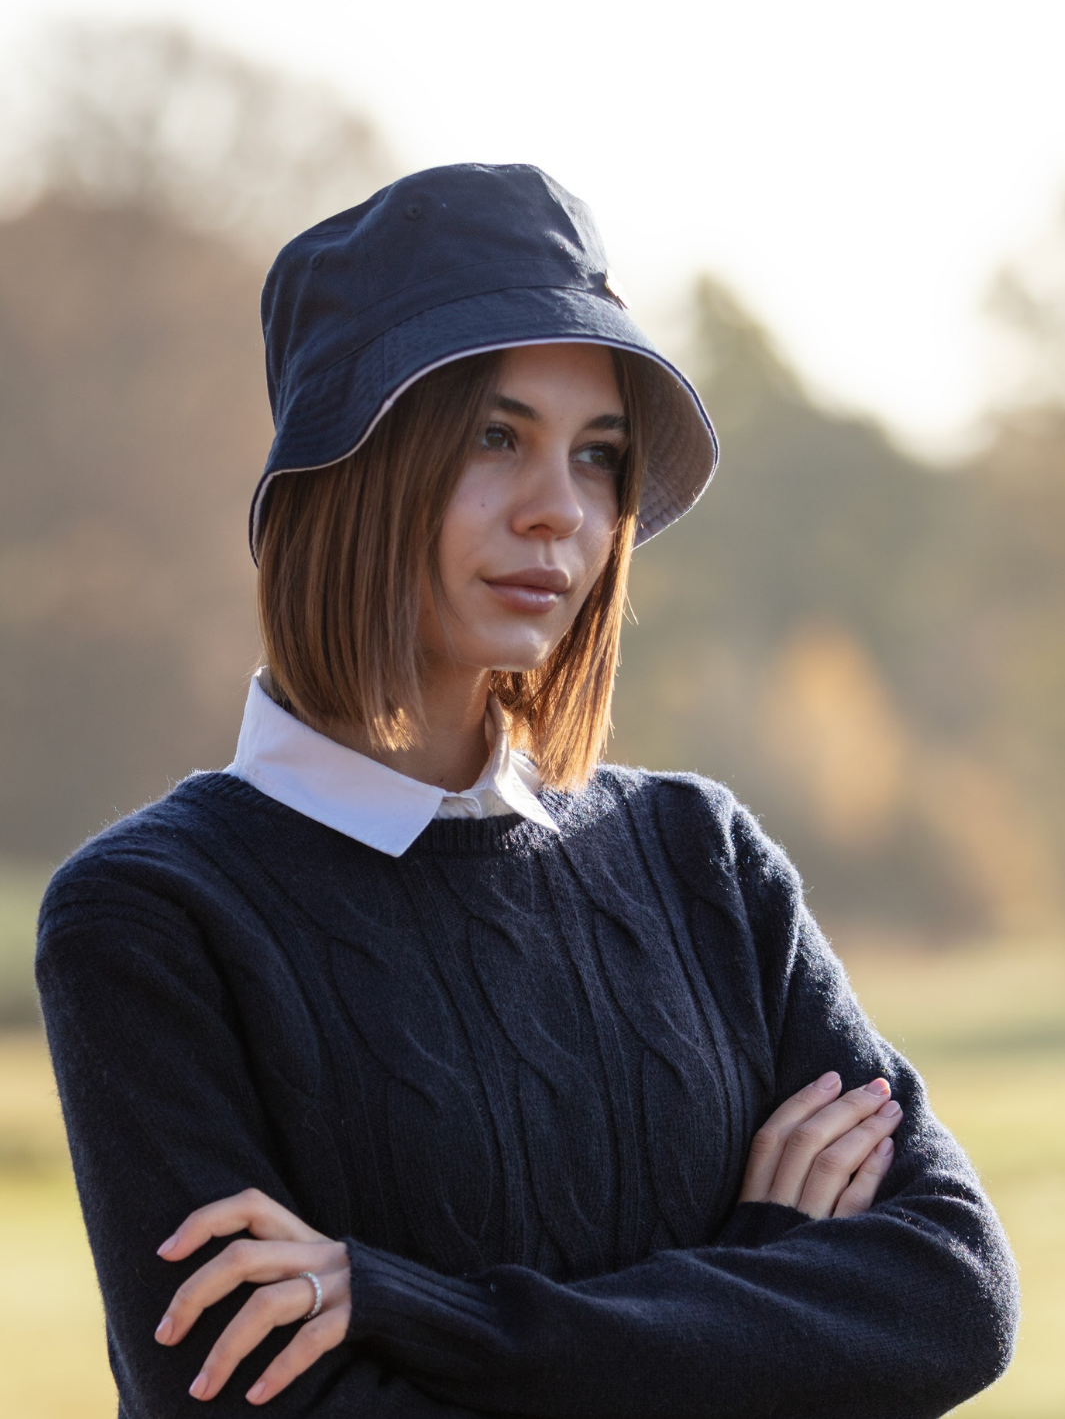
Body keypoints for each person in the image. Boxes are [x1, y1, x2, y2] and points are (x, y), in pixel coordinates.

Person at [36, 163, 1017, 1419]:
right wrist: (766, 1293)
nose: (562, 512)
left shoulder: (699, 856)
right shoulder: (151, 919)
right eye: (496, 438)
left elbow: (951, 1294)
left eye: (600, 456)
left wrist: (412, 1309)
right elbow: (251, 1405)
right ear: (352, 462)